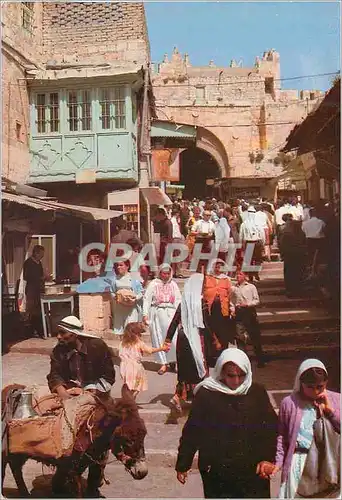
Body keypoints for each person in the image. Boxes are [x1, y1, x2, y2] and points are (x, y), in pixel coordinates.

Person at [175, 348, 278, 498]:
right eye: (231, 375)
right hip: (217, 471)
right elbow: (193, 431)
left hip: (252, 469)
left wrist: (268, 458)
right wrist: (183, 463)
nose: (236, 381)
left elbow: (271, 428)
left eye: (241, 375)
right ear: (221, 372)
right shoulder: (206, 394)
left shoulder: (257, 392)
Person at [258, 359, 340, 498]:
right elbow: (282, 436)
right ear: (300, 383)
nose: (315, 391)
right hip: (299, 463)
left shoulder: (337, 399)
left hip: (328, 462)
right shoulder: (289, 403)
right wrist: (278, 463)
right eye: (310, 387)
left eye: (320, 386)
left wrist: (330, 412)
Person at [165, 273, 210, 412]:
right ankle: (199, 401)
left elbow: (174, 322)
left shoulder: (182, 303)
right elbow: (206, 325)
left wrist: (167, 340)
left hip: (182, 339)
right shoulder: (200, 304)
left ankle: (179, 397)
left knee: (185, 371)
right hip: (195, 340)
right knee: (199, 368)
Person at [47, 315, 115, 399]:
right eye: (58, 333)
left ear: (75, 334)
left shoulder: (97, 346)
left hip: (96, 392)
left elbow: (109, 375)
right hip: (70, 391)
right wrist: (61, 390)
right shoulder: (58, 351)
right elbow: (54, 374)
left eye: (62, 333)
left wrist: (91, 391)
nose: (58, 336)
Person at [142, 264, 181, 375]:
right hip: (157, 314)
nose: (166, 275)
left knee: (174, 338)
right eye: (164, 273)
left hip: (171, 313)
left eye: (168, 273)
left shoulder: (173, 284)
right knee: (159, 338)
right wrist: (145, 314)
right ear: (160, 273)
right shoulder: (153, 284)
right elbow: (147, 299)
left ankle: (175, 361)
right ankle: (163, 363)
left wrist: (180, 315)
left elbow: (178, 300)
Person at [119, 322, 170, 399]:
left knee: (128, 384)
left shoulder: (122, 343)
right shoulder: (138, 343)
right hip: (134, 367)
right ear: (136, 333)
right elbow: (149, 350)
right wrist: (162, 348)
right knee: (136, 387)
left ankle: (126, 399)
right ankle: (129, 401)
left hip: (124, 366)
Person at [202, 260, 236, 367]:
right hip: (210, 310)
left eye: (220, 267)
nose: (218, 269)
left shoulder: (226, 279)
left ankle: (223, 357)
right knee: (211, 333)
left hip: (223, 310)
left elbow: (230, 295)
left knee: (223, 334)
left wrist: (231, 307)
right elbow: (202, 292)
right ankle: (211, 358)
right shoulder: (207, 278)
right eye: (216, 267)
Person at [232, 271, 266, 367]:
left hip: (249, 312)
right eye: (237, 274)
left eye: (240, 274)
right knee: (239, 337)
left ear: (245, 276)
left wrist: (247, 304)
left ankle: (260, 359)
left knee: (254, 336)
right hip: (239, 313)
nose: (238, 276)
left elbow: (257, 300)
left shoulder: (251, 287)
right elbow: (231, 301)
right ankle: (243, 361)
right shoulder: (234, 288)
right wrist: (232, 309)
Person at [112, 260, 144, 335]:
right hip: (120, 308)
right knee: (120, 332)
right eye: (117, 265)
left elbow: (141, 292)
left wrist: (134, 298)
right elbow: (112, 291)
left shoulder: (134, 278)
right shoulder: (115, 279)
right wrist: (116, 297)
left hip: (131, 309)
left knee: (131, 331)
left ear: (127, 266)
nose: (118, 267)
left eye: (121, 265)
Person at [23, 244, 48, 338]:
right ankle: (28, 332)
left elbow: (41, 275)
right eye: (41, 254)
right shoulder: (28, 263)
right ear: (35, 253)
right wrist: (39, 278)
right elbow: (26, 276)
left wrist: (45, 278)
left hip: (39, 289)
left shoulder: (39, 263)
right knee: (31, 311)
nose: (42, 256)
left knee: (38, 310)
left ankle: (38, 330)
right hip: (31, 290)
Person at [279, 215, 307, 297]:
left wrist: (283, 254)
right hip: (298, 256)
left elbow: (282, 245)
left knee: (290, 274)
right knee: (298, 274)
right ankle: (298, 290)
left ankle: (291, 290)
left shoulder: (286, 234)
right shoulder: (301, 234)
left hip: (290, 257)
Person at [239, 206, 265, 282]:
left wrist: (242, 244)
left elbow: (241, 236)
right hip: (256, 242)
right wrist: (262, 243)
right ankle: (254, 274)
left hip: (250, 242)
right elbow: (262, 234)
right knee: (256, 260)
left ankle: (252, 275)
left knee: (251, 260)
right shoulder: (258, 223)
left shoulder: (244, 224)